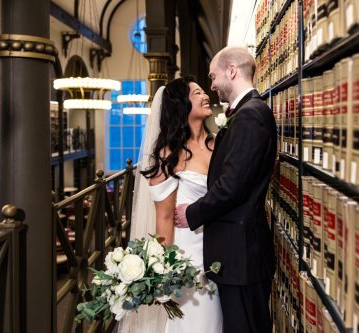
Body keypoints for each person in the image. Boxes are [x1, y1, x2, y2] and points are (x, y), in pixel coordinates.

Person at [175, 46, 277, 333]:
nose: (212, 85)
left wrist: (193, 213)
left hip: (242, 255)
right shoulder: (246, 114)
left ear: (231, 71)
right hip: (236, 254)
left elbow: (233, 186)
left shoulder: (250, 115)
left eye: (213, 76)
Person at [118, 76, 223, 333]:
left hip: (220, 252)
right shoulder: (168, 155)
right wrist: (164, 272)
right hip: (189, 262)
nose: (205, 95)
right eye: (197, 93)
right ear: (181, 105)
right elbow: (164, 217)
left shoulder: (219, 143)